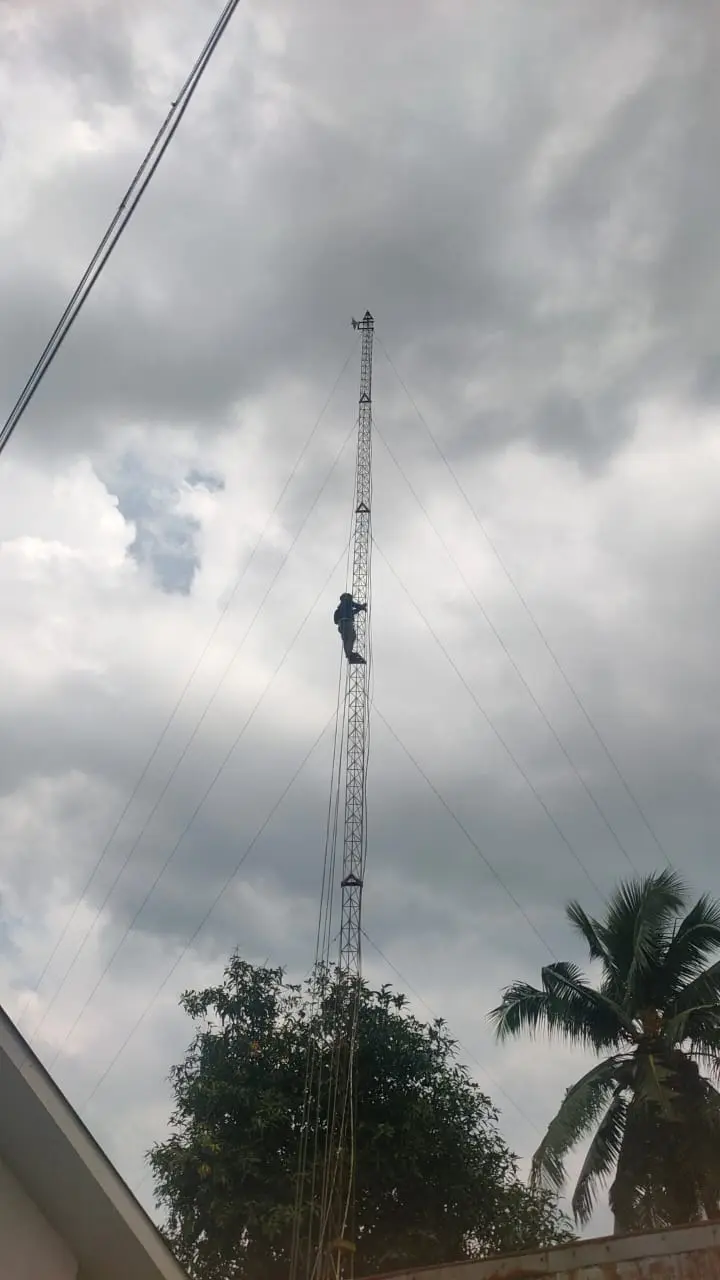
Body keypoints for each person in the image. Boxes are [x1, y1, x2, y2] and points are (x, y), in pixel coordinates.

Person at [333, 593, 366, 664]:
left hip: (341, 626)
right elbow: (354, 605)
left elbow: (353, 612)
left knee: (346, 639)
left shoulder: (342, 607)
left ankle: (349, 654)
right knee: (351, 636)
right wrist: (362, 607)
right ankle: (349, 654)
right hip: (347, 623)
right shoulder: (346, 601)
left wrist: (361, 607)